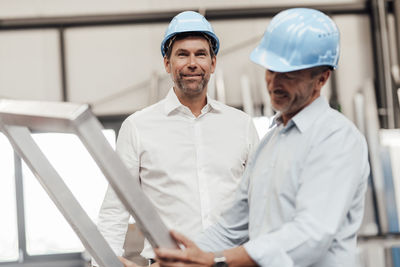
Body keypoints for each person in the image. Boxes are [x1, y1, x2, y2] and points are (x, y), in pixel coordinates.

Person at [146, 8, 370, 267]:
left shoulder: (337, 139)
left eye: (289, 74)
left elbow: (310, 235)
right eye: (271, 70)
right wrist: (176, 261)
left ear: (322, 78)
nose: (275, 82)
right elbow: (231, 228)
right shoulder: (270, 143)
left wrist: (215, 260)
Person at [93, 11, 259, 266]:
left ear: (213, 64)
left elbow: (260, 203)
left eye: (200, 54)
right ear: (167, 64)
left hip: (229, 261)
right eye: (182, 54)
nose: (192, 63)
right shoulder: (138, 127)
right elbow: (115, 209)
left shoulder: (241, 125)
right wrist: (104, 262)